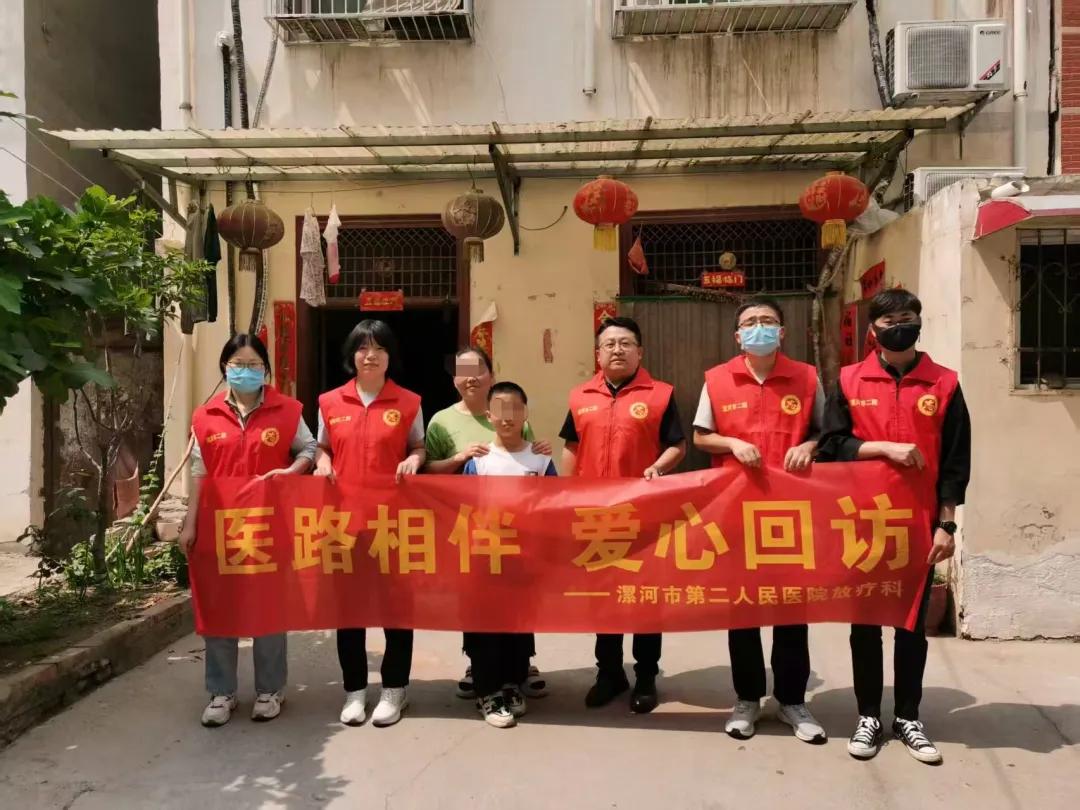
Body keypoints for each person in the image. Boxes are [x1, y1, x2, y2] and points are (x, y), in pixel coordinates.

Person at [817, 288, 971, 765]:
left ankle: (908, 717)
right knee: (864, 625)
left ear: (918, 324)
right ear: (873, 331)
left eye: (907, 317)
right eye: (889, 321)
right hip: (862, 523)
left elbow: (955, 461)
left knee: (911, 626)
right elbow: (831, 445)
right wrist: (882, 448)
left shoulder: (944, 383)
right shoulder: (849, 380)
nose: (899, 326)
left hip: (918, 525)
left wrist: (947, 525)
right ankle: (868, 715)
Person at [692, 296, 827, 744]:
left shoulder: (806, 378)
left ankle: (792, 700)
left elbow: (826, 430)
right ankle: (747, 698)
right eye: (750, 322)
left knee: (791, 608)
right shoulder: (717, 379)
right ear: (738, 336)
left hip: (792, 512)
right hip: (735, 509)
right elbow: (701, 436)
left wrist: (809, 446)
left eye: (767, 320)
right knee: (743, 608)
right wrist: (731, 444)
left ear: (782, 332)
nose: (759, 327)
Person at [180, 333, 316, 727]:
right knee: (219, 608)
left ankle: (270, 690)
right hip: (220, 527)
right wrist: (190, 522)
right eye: (237, 364)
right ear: (225, 368)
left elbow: (309, 449)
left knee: (268, 608)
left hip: (270, 525)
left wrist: (290, 471)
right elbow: (199, 472)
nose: (245, 371)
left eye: (253, 364)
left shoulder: (287, 411)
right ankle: (221, 692)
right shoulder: (205, 416)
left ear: (265, 369)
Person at [561, 316, 687, 713]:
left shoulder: (660, 395)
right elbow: (571, 446)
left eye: (625, 343)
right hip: (596, 516)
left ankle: (646, 676)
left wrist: (658, 468)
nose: (617, 350)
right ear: (597, 354)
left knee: (646, 597)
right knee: (604, 597)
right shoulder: (580, 396)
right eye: (609, 344)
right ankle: (610, 673)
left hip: (644, 514)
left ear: (640, 352)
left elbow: (677, 445)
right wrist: (565, 495)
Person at [315, 319, 426, 728]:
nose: (371, 355)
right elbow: (322, 447)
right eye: (363, 348)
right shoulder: (329, 402)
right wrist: (322, 462)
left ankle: (395, 689)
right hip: (343, 522)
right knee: (349, 610)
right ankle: (355, 691)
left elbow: (418, 445)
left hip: (392, 522)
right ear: (352, 355)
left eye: (379, 348)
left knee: (396, 609)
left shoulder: (409, 402)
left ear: (390, 356)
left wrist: (414, 459)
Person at [425, 346, 551, 701]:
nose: (471, 378)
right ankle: (480, 669)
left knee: (518, 602)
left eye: (477, 370)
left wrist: (540, 450)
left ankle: (520, 666)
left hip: (518, 536)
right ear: (454, 379)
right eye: (462, 371)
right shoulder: (441, 421)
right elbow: (427, 469)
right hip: (471, 529)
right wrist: (460, 457)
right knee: (479, 604)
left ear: (490, 375)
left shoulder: (514, 414)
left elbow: (533, 469)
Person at [461, 381, 558, 728]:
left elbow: (555, 505)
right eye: (500, 410)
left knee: (519, 623)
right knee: (486, 625)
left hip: (525, 559)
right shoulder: (479, 461)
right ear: (489, 415)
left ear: (525, 413)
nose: (507, 417)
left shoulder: (541, 458)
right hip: (486, 558)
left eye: (515, 408)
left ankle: (512, 683)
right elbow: (464, 510)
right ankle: (487, 692)